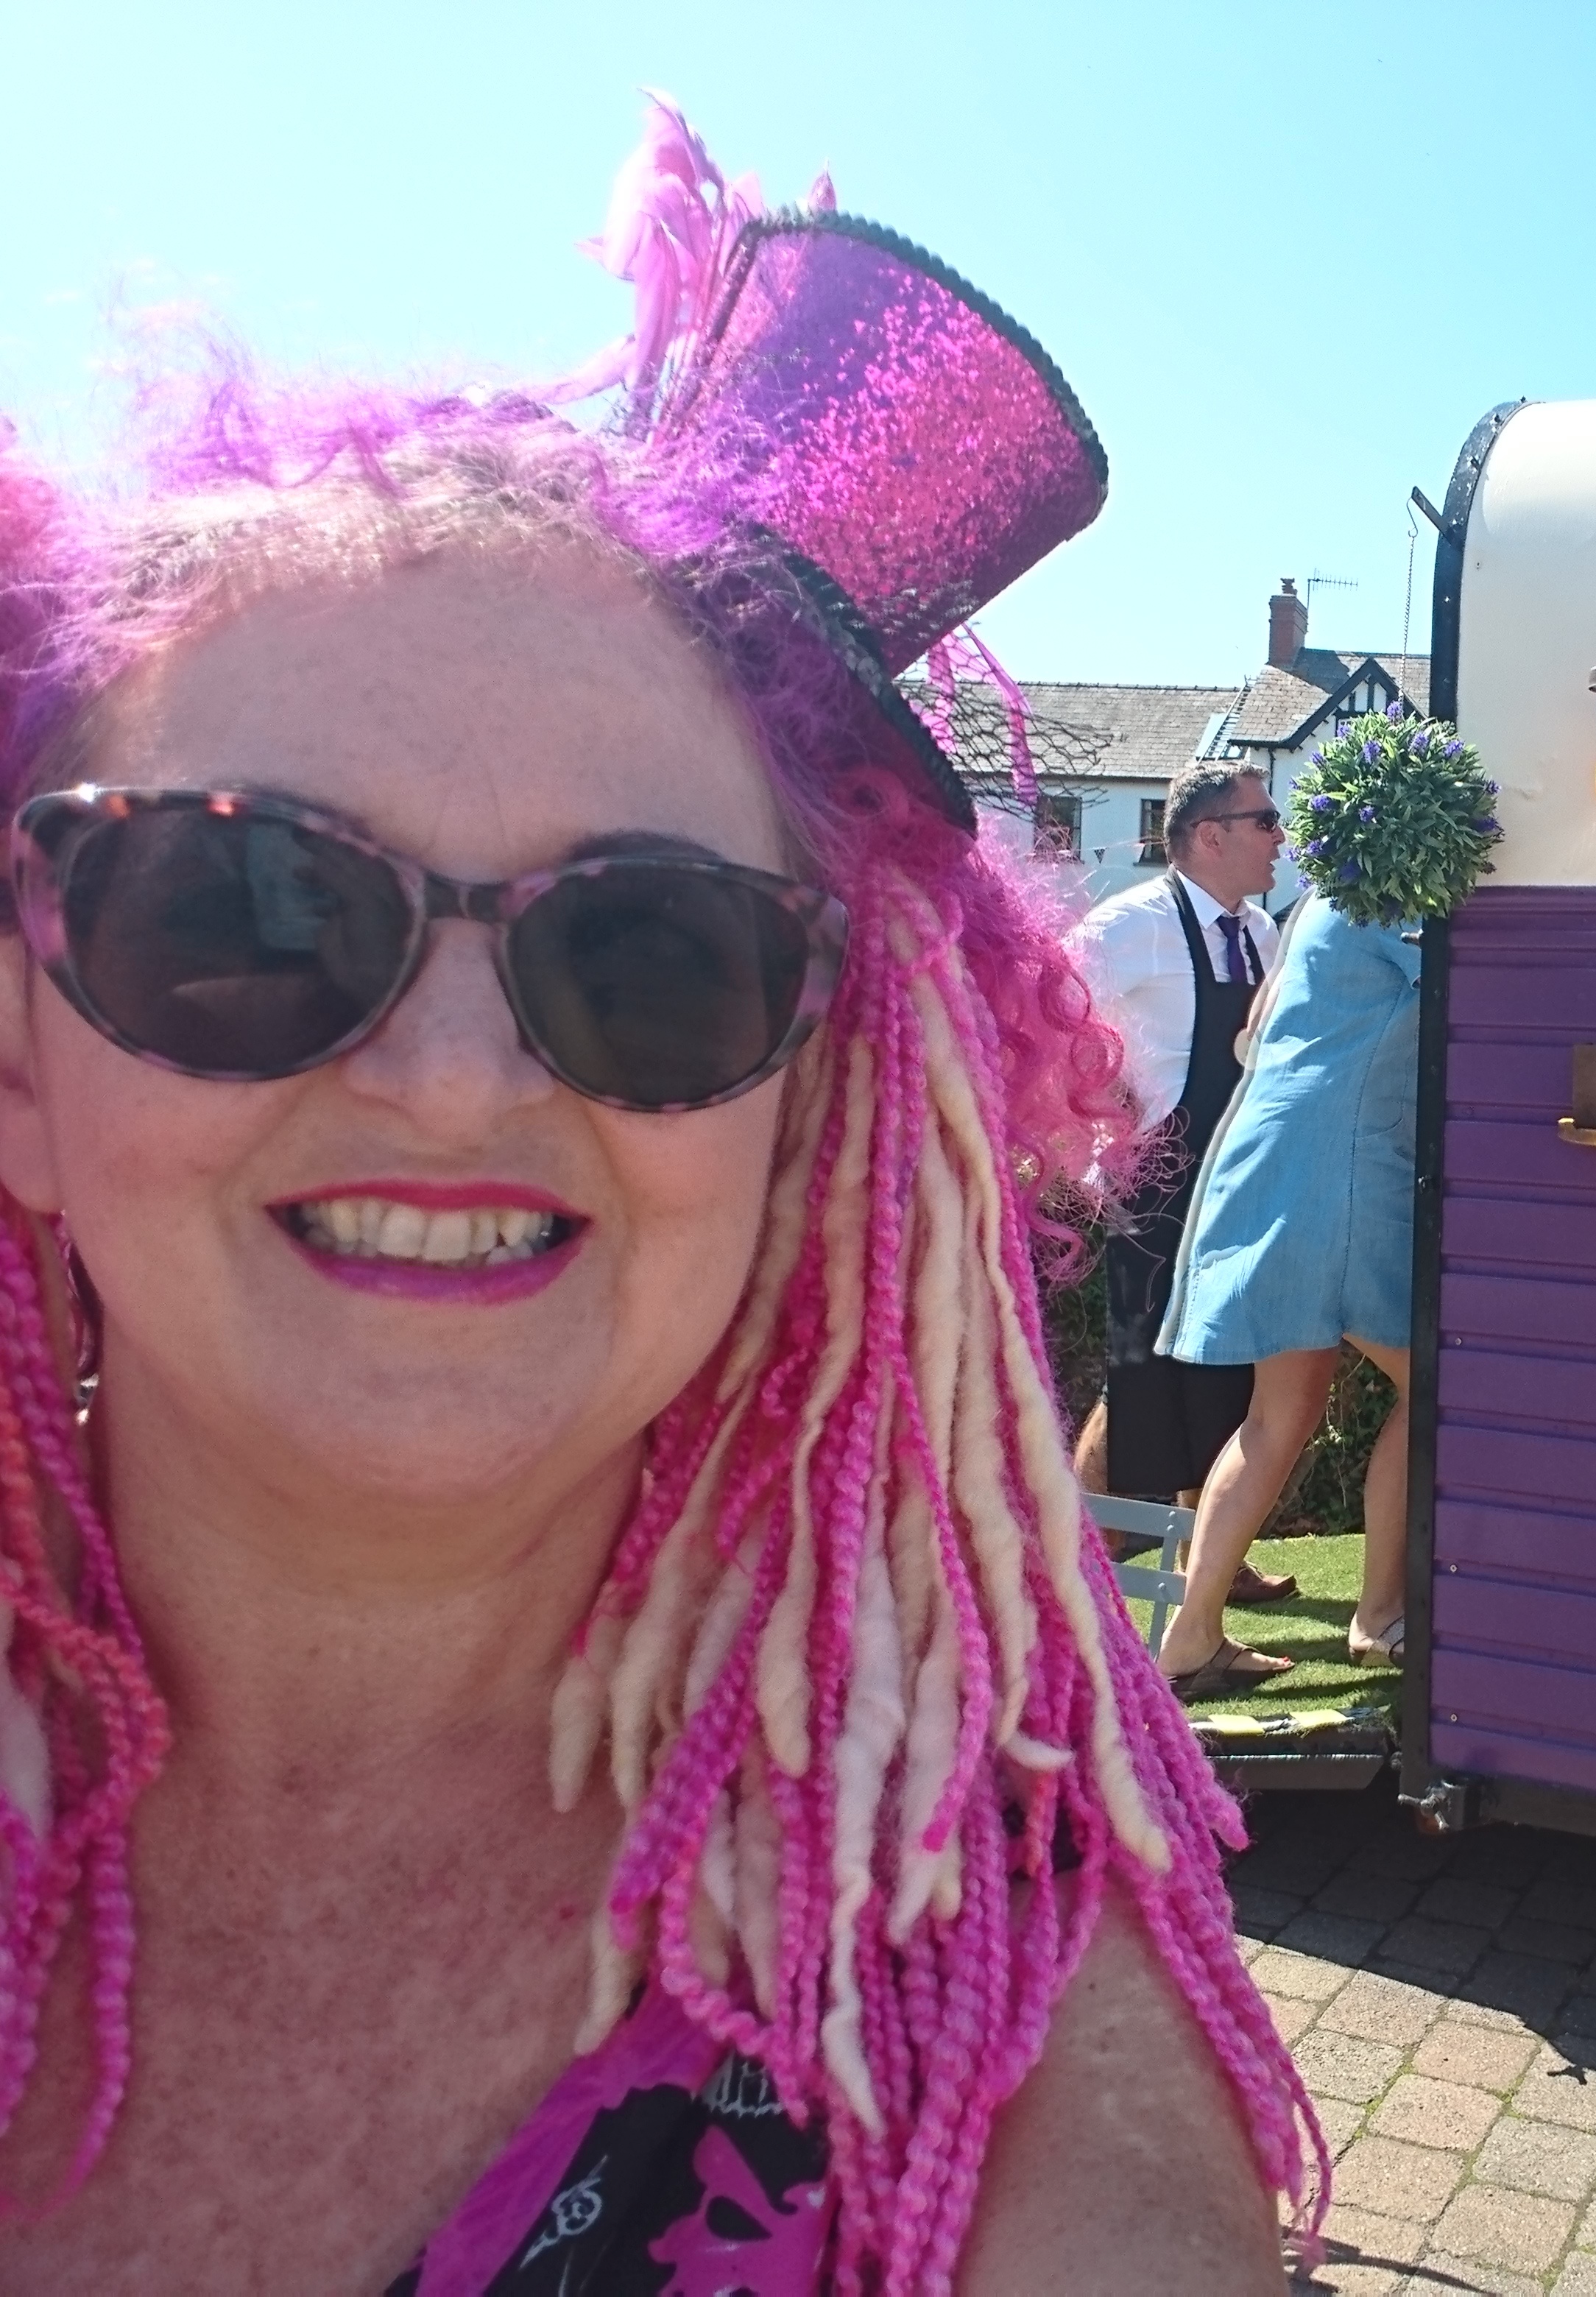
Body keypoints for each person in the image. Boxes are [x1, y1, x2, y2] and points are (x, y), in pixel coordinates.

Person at [0, 110, 1310, 2295]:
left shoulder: (975, 1998)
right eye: (243, 905)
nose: (448, 1078)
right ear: (19, 1066)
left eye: (647, 949)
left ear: (806, 1110)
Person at [1150, 710, 1497, 1698]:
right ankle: (1379, 1618)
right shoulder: (1394, 904)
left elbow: (1254, 1038)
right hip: (1340, 1170)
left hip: (1272, 1162)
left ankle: (1189, 1638)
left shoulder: (1317, 903)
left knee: (1279, 1413)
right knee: (1434, 1389)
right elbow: (1487, 1002)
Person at [1067, 761, 1293, 1598]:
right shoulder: (1128, 926)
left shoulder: (1260, 933)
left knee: (1222, 1369)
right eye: (1265, 821)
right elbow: (1043, 1018)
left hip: (1234, 1179)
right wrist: (1100, 1115)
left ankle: (1210, 1562)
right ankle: (1069, 1563)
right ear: (1209, 836)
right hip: (1157, 1181)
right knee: (1140, 1377)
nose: (1280, 838)